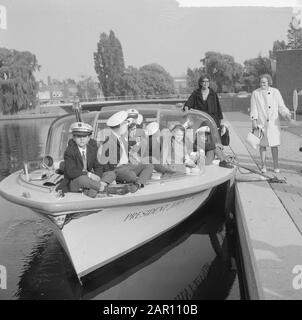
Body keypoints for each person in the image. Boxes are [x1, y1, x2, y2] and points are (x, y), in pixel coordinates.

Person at [58, 122, 116, 198]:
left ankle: (94, 189)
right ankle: (106, 189)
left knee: (111, 173)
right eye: (78, 136)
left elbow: (98, 166)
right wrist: (89, 174)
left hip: (90, 180)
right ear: (74, 138)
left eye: (84, 136)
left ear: (89, 138)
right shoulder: (69, 151)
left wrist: (97, 177)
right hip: (75, 181)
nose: (82, 139)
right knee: (83, 179)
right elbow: (70, 172)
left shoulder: (92, 150)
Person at [98, 110, 154, 187]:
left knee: (148, 165)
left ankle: (139, 184)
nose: (127, 127)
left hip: (127, 166)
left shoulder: (121, 138)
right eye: (125, 125)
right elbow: (104, 162)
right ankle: (137, 182)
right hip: (118, 169)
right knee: (131, 175)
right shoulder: (109, 141)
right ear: (121, 126)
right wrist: (111, 178)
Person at [250, 74, 293, 173]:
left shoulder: (275, 92)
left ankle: (276, 165)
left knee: (274, 145)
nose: (262, 84)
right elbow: (254, 108)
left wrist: (286, 114)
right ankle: (263, 165)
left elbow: (281, 106)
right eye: (261, 82)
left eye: (264, 82)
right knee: (262, 145)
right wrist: (254, 121)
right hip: (261, 122)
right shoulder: (255, 93)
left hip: (273, 123)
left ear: (269, 82)